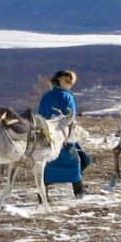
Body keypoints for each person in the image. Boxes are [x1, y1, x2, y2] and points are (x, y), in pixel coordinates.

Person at [38, 70, 92, 199]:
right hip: (63, 136)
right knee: (75, 162)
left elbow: (40, 115)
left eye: (71, 82)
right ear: (60, 79)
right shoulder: (67, 97)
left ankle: (42, 196)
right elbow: (69, 118)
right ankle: (79, 193)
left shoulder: (46, 96)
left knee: (47, 166)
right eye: (68, 81)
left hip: (46, 136)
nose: (70, 84)